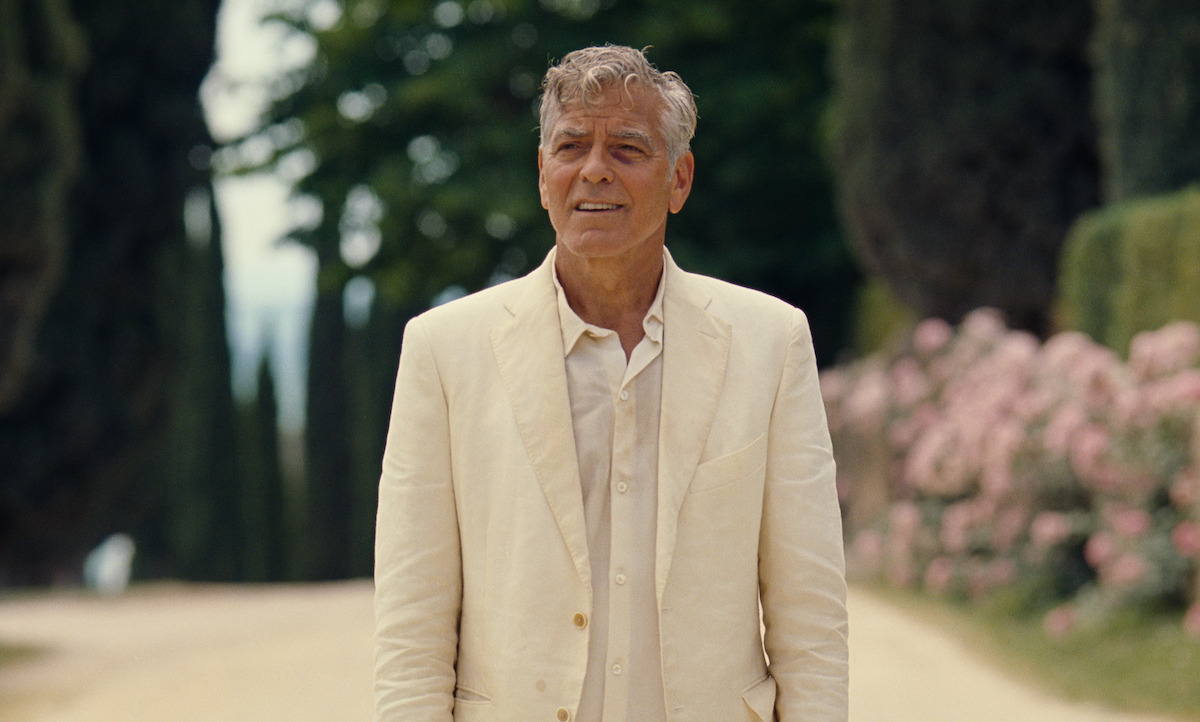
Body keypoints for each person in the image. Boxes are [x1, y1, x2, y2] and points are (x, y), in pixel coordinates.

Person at [374, 44, 848, 721]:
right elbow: (410, 633)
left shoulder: (771, 344)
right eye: (571, 147)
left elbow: (812, 621)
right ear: (543, 176)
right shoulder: (444, 353)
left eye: (627, 148)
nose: (594, 170)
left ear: (679, 179)